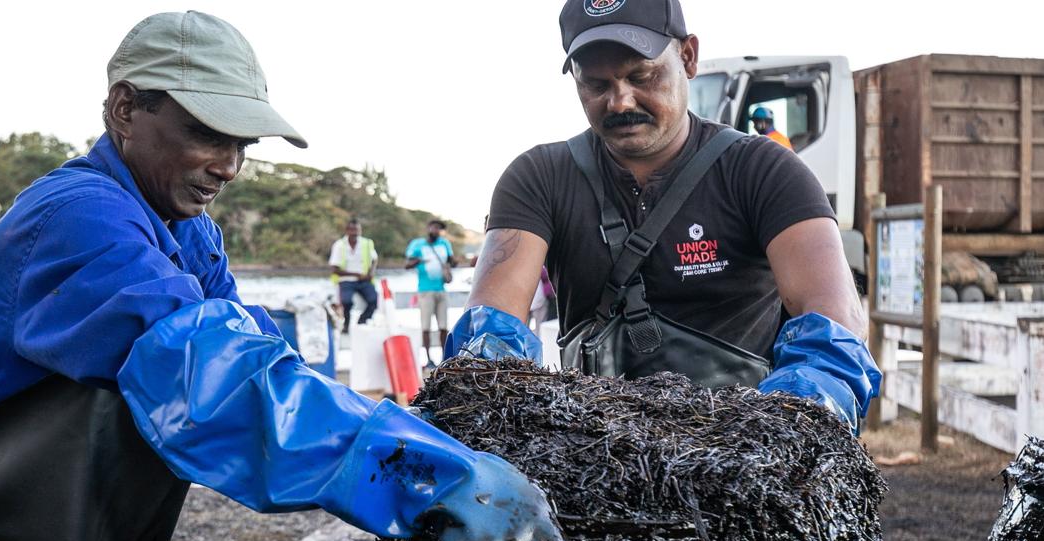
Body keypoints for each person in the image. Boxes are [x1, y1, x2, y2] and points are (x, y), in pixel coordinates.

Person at [0, 11, 579, 541]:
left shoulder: (193, 236)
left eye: (242, 141)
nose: (229, 164)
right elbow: (213, 387)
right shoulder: (75, 219)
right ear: (124, 109)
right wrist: (429, 477)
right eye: (206, 133)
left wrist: (400, 431)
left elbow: (258, 366)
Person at [446, 0, 879, 429]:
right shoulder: (537, 178)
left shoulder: (766, 171)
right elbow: (491, 330)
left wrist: (785, 427)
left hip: (741, 450)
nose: (619, 102)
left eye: (642, 75)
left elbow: (834, 325)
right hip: (590, 453)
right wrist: (484, 402)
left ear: (688, 56)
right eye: (596, 84)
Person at [405, 219, 456, 367]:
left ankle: (444, 359)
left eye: (439, 229)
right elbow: (407, 264)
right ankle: (428, 359)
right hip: (425, 290)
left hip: (441, 290)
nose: (436, 230)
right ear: (428, 228)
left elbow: (451, 261)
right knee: (426, 326)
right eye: (434, 227)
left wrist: (452, 263)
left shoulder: (445, 243)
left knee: (443, 326)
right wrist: (420, 260)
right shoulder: (417, 244)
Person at [329, 218, 378, 333]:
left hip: (364, 280)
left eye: (357, 230)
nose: (354, 232)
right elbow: (334, 269)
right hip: (345, 279)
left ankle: (362, 321)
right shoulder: (339, 245)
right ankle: (346, 324)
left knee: (374, 300)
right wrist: (355, 274)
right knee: (346, 301)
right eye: (352, 230)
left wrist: (370, 274)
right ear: (347, 231)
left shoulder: (367, 243)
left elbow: (374, 260)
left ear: (360, 231)